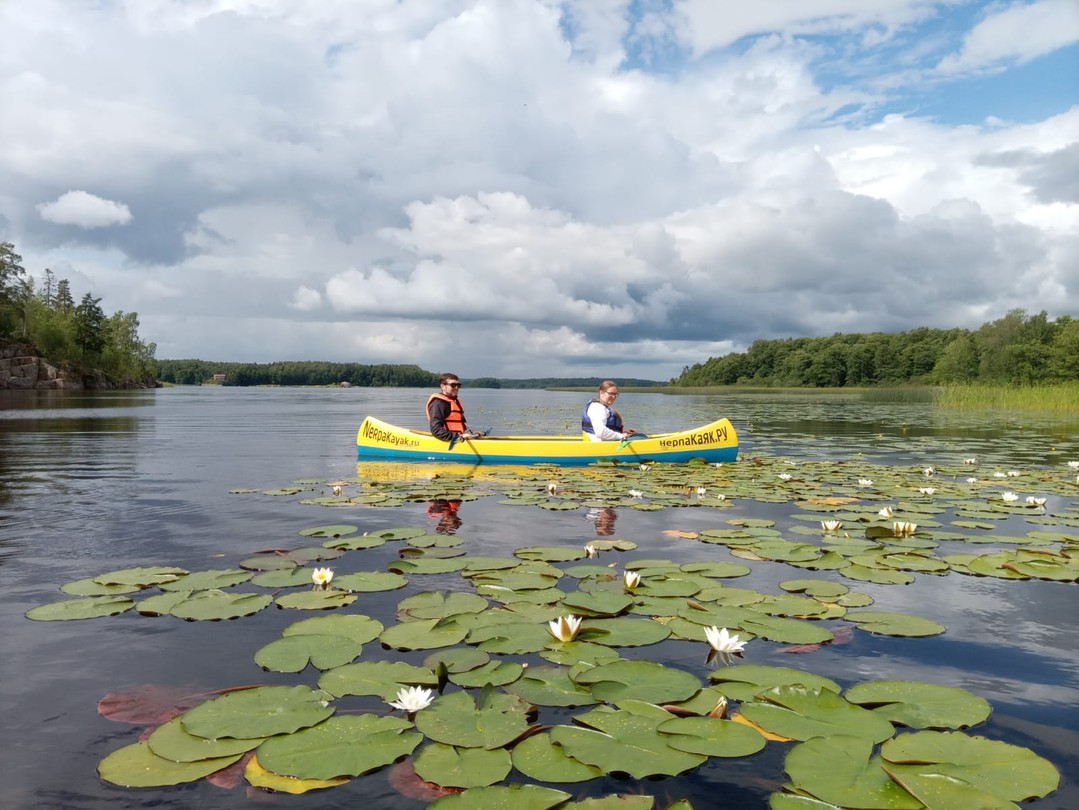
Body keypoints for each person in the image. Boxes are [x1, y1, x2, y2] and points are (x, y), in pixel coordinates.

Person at [427, 373, 485, 443]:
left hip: (458, 439)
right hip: (449, 441)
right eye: (453, 385)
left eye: (458, 385)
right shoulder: (438, 404)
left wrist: (471, 433)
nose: (456, 388)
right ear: (443, 386)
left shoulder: (455, 402)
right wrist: (457, 436)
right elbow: (436, 430)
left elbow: (459, 425)